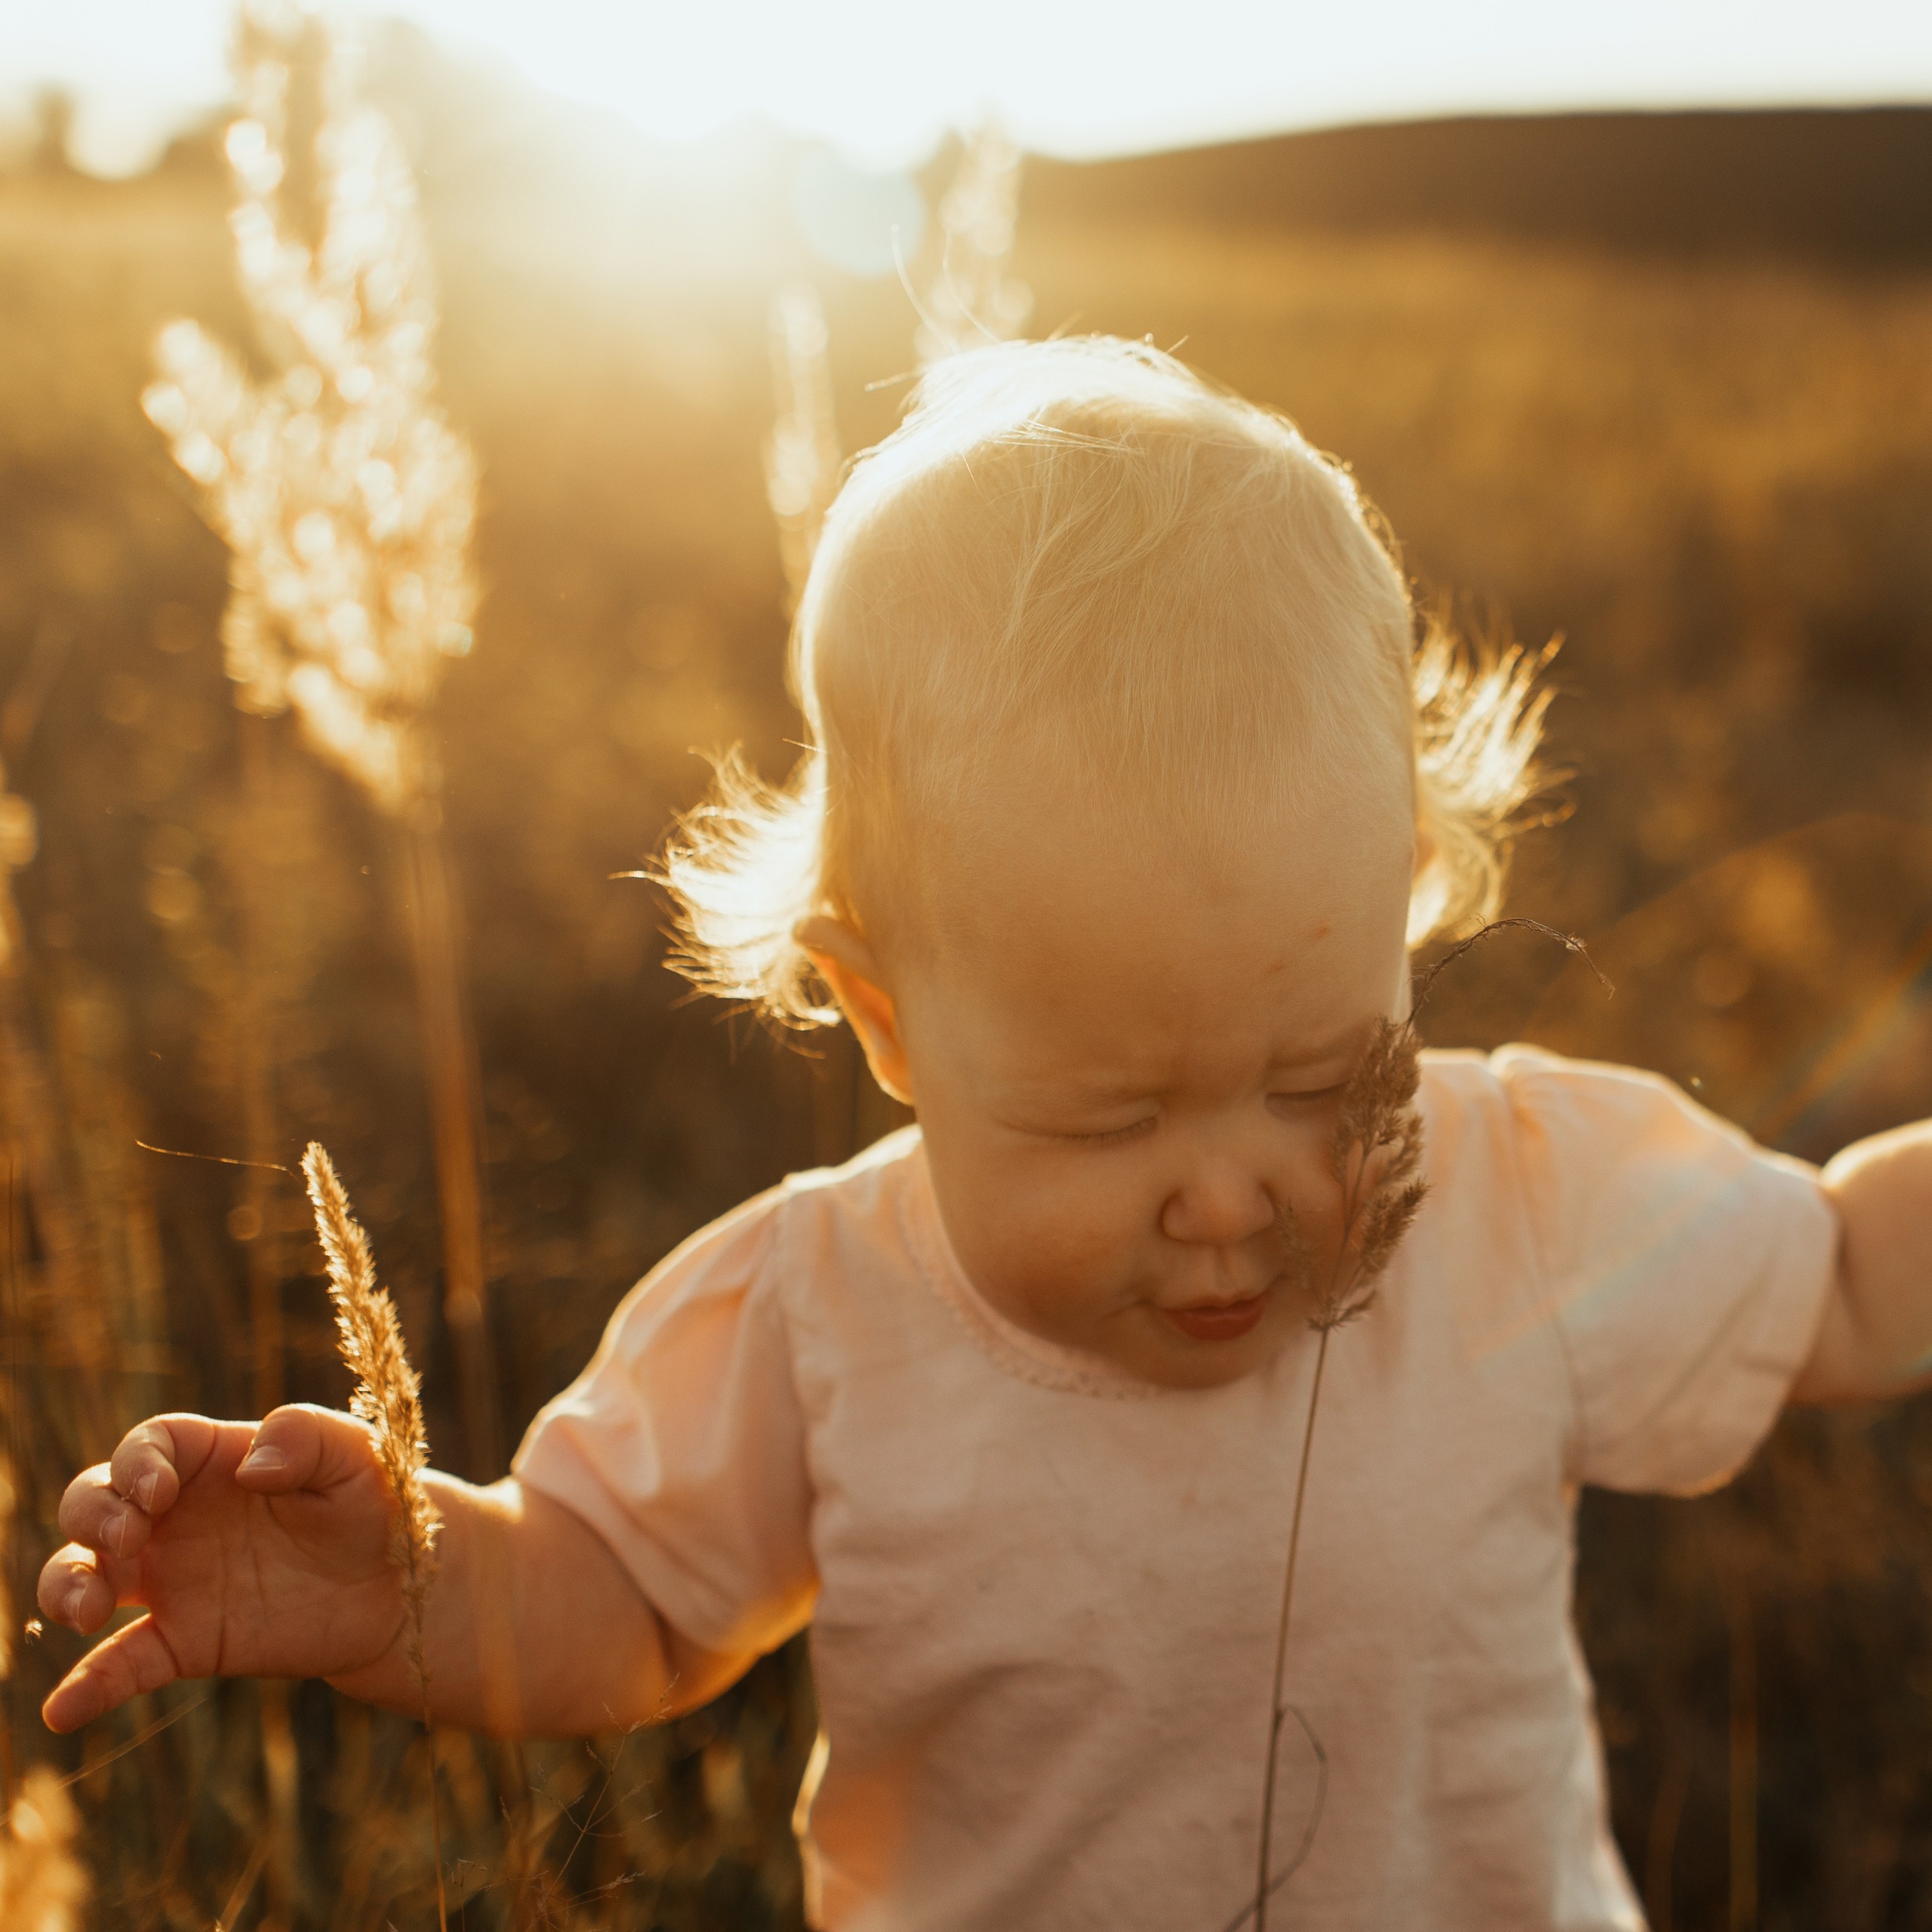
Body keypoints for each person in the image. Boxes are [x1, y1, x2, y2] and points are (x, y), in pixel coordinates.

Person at [35, 339, 1932, 1930]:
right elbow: (614, 1601)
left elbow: (1840, 1274)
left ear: (1410, 898)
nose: (1225, 1188)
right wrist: (411, 1582)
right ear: (884, 1017)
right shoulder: (815, 1311)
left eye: (1313, 1072)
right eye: (1109, 1113)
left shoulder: (1518, 1193)